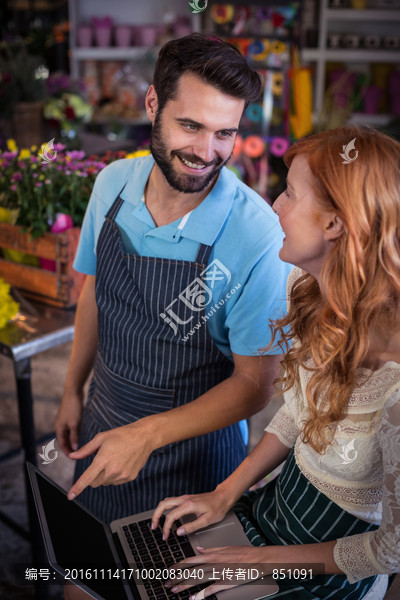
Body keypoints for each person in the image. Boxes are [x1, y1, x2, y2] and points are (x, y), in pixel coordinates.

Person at [151, 126, 400, 600]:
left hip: (327, 572)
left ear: (335, 225)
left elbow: (392, 551)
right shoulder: (313, 298)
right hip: (274, 513)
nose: (274, 205)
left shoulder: (395, 391)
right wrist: (227, 492)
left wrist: (261, 561)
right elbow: (299, 412)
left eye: (289, 192)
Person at [55, 33, 291, 526]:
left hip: (196, 459)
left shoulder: (258, 232)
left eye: (224, 133)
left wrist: (147, 435)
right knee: (87, 579)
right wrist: (73, 391)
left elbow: (255, 385)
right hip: (104, 418)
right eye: (190, 125)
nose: (207, 152)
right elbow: (95, 292)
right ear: (152, 104)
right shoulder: (111, 185)